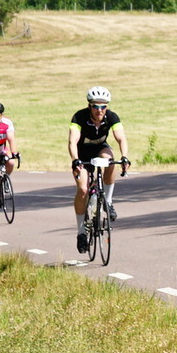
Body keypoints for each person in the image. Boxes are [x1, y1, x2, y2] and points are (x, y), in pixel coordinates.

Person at [68, 87, 128, 252]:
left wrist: (124, 157)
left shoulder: (112, 117)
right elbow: (72, 141)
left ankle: (108, 201)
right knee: (83, 190)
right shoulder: (79, 117)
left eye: (103, 106)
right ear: (89, 106)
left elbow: (121, 138)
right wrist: (75, 160)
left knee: (110, 162)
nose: (99, 110)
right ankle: (81, 232)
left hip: (100, 148)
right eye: (95, 106)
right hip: (82, 153)